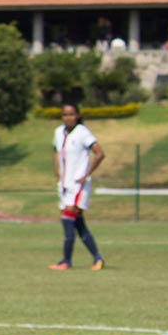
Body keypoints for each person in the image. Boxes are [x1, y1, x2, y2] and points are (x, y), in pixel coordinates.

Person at [49, 103, 106, 271]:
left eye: (72, 114)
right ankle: (97, 258)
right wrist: (57, 172)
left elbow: (100, 153)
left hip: (78, 185)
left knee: (67, 218)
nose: (68, 117)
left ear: (78, 116)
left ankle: (66, 261)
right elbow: (54, 150)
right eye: (65, 114)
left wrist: (86, 174)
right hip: (64, 185)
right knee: (79, 224)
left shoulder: (83, 133)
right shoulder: (58, 132)